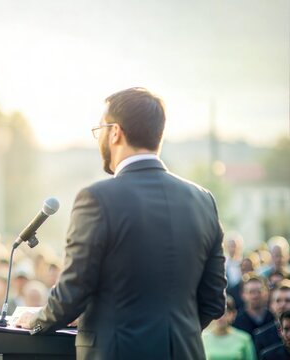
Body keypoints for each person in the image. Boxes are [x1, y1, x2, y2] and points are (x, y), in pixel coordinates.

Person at [15, 88, 226, 359]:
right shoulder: (203, 200)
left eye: (100, 129)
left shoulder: (97, 199)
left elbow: (72, 293)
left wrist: (35, 320)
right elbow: (213, 302)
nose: (100, 138)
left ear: (115, 132)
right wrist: (171, 334)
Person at [202, 295, 256, 359]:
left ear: (233, 314)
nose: (220, 317)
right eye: (216, 313)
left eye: (225, 313)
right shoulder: (202, 339)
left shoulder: (244, 339)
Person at [254, 280, 290, 355]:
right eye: (278, 301)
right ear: (271, 305)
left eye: (287, 300)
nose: (282, 305)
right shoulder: (261, 337)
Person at [233, 274, 275, 338]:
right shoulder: (235, 321)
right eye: (251, 292)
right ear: (243, 295)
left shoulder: (274, 318)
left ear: (267, 293)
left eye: (259, 291)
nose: (255, 296)